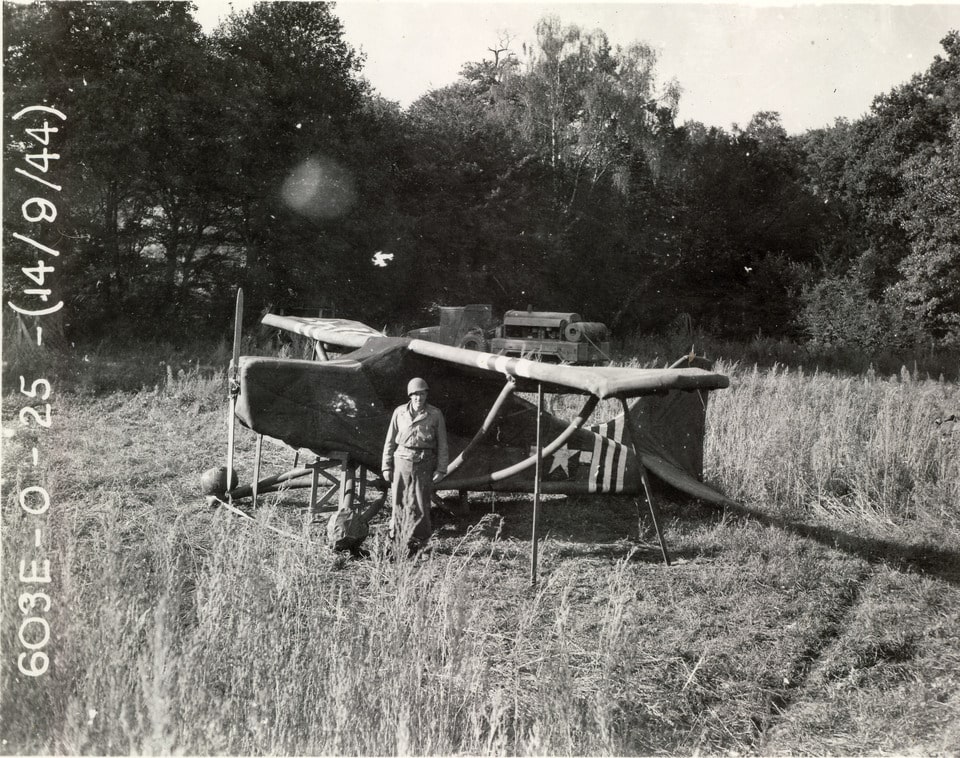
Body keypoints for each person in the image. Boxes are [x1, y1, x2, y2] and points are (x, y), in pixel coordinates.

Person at [382, 377, 449, 551]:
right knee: (398, 500)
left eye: (422, 394)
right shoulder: (399, 413)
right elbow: (390, 441)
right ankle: (396, 540)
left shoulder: (435, 414)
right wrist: (386, 466)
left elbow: (442, 443)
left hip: (423, 462)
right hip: (402, 460)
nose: (419, 398)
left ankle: (422, 543)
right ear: (410, 396)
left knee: (421, 502)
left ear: (426, 395)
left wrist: (441, 469)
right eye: (415, 395)